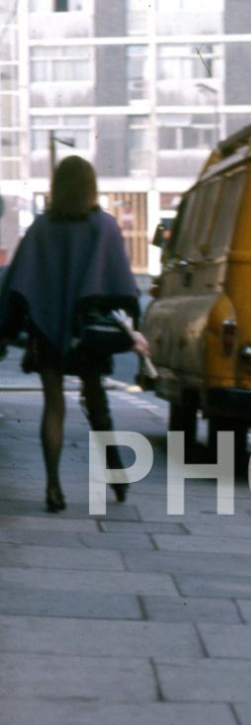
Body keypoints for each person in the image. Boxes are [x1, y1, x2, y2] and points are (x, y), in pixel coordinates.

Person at [0, 156, 150, 512]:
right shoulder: (105, 227)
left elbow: (19, 284)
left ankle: (53, 487)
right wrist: (130, 329)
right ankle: (115, 474)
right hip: (88, 335)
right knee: (96, 401)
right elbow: (122, 288)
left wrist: (7, 330)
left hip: (48, 333)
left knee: (54, 407)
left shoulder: (41, 227)